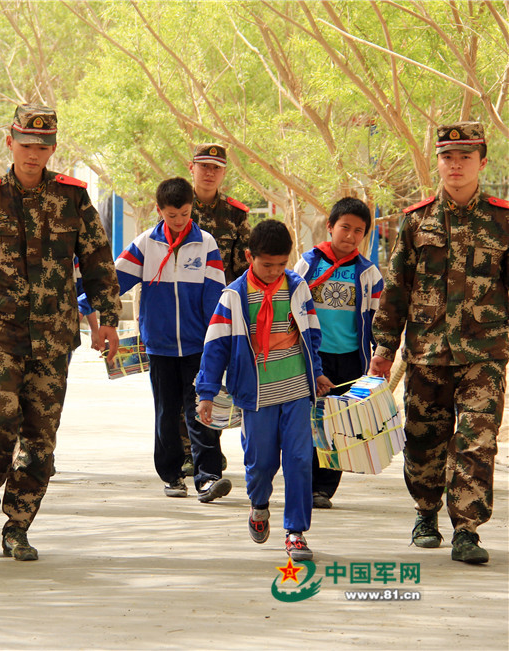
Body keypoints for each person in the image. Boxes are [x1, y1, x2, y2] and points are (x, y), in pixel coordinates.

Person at [0, 104, 121, 561]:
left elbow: (97, 263)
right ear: (10, 144)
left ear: (53, 150)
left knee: (39, 439)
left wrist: (107, 319)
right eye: (26, 145)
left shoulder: (74, 198)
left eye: (43, 147)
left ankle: (18, 524)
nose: (34, 155)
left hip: (53, 340)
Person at [369, 122, 508, 565]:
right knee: (424, 438)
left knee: (476, 440)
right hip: (427, 352)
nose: (455, 165)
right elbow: (396, 288)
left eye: (465, 157)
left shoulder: (504, 220)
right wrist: (384, 347)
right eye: (448, 156)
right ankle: (426, 512)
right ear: (438, 162)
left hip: (484, 354)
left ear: (482, 162)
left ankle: (466, 529)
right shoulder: (417, 219)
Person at [197, 219, 333, 562]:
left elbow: (311, 335)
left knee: (301, 460)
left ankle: (296, 532)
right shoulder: (234, 296)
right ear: (249, 257)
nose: (274, 272)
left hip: (297, 389)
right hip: (256, 395)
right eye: (266, 265)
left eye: (281, 265)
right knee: (260, 463)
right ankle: (259, 505)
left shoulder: (298, 287)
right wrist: (206, 392)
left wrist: (316, 374)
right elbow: (216, 347)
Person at [114, 177, 228, 501]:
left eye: (185, 213)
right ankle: (171, 475)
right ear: (159, 210)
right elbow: (113, 281)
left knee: (201, 409)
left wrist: (217, 340)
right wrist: (84, 306)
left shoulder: (206, 243)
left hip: (197, 346)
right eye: (171, 215)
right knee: (165, 412)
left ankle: (208, 477)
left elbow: (215, 297)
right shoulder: (146, 244)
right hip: (160, 346)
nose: (179, 221)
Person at [294, 197, 383, 508]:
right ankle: (303, 482)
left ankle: (324, 489)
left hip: (349, 360)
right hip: (313, 357)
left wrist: (377, 355)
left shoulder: (368, 272)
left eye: (359, 230)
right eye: (344, 227)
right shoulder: (308, 263)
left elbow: (376, 318)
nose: (350, 235)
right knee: (307, 422)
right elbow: (291, 307)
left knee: (336, 426)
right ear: (330, 227)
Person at [181, 144, 252, 474]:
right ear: (191, 167)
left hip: (219, 313)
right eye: (204, 166)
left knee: (213, 381)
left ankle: (208, 447)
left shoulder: (236, 215)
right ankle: (187, 452)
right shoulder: (177, 204)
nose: (209, 173)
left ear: (223, 173)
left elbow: (243, 268)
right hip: (180, 308)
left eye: (216, 168)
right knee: (179, 381)